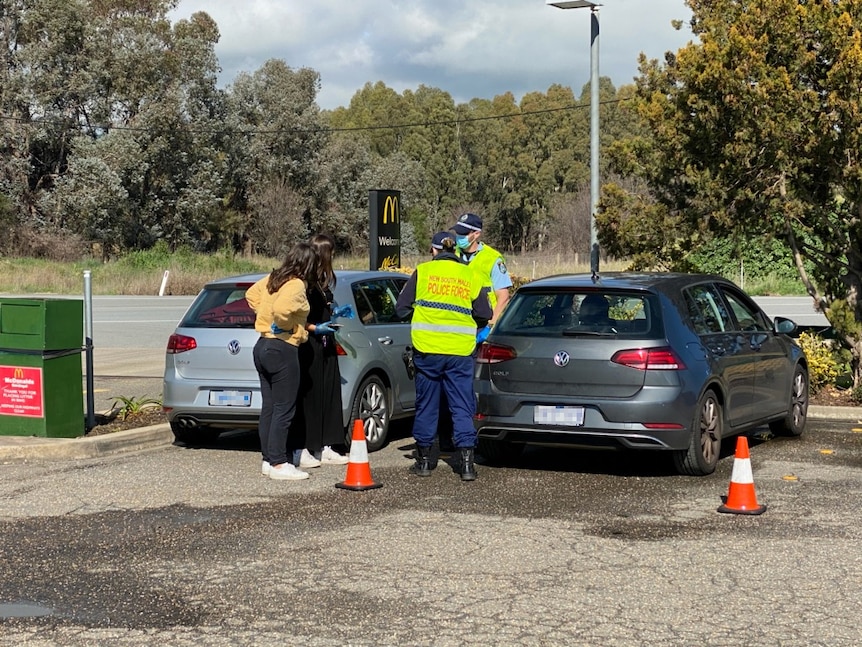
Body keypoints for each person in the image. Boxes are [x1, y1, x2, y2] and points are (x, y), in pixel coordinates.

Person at [395, 233, 492, 481]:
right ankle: (467, 463)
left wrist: (424, 312)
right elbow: (484, 313)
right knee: (461, 405)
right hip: (460, 351)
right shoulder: (469, 274)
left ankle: (425, 461)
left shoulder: (423, 272)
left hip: (427, 350)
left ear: (434, 250)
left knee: (427, 404)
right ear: (455, 251)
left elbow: (401, 308)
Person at [246, 242, 317, 481]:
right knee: (283, 409)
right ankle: (278, 463)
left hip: (262, 345)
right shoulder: (297, 284)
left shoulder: (274, 277)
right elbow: (282, 309)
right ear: (308, 264)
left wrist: (264, 317)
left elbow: (251, 295)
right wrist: (287, 327)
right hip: (282, 348)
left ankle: (268, 459)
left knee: (269, 407)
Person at [294, 234, 350, 469]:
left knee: (329, 392)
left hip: (327, 341)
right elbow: (298, 317)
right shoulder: (304, 283)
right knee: (312, 397)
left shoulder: (322, 281)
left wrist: (334, 311)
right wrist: (317, 328)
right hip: (310, 342)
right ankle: (306, 446)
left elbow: (324, 305)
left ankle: (327, 445)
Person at [450, 212, 513, 325]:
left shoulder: (492, 259)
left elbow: (503, 296)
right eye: (458, 233)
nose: (459, 236)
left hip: (483, 323)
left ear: (477, 234)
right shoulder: (452, 254)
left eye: (464, 233)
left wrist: (491, 326)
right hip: (457, 322)